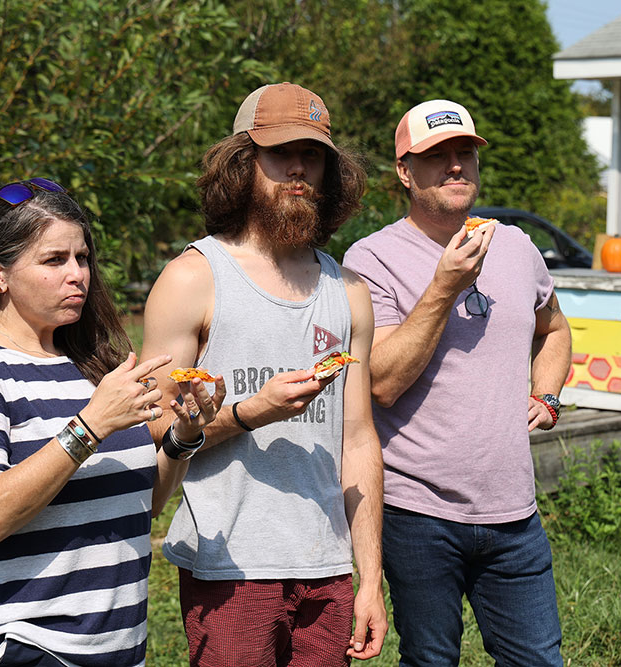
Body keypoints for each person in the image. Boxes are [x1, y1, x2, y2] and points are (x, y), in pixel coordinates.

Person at [0, 178, 221, 667]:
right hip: (9, 649)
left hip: (114, 649)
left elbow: (141, 503)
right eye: (54, 260)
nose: (78, 274)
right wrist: (91, 425)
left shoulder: (94, 367)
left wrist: (183, 436)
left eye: (82, 258)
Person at [142, 82, 387, 666]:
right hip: (231, 564)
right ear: (243, 163)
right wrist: (254, 412)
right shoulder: (194, 278)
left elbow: (358, 438)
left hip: (327, 568)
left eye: (314, 155)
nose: (298, 168)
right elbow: (152, 429)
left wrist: (370, 577)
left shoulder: (348, 291)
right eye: (280, 154)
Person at [342, 99, 572, 666]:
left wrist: (547, 394)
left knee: (539, 660)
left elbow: (556, 327)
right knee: (430, 660)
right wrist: (445, 284)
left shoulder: (517, 247)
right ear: (404, 172)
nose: (454, 166)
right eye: (436, 156)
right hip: (417, 515)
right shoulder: (370, 259)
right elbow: (383, 383)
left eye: (464, 153)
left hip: (514, 514)